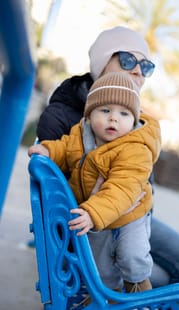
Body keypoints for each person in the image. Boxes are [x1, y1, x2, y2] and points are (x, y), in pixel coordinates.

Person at [35, 26, 179, 310]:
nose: (138, 71)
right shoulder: (65, 116)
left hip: (133, 213)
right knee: (162, 274)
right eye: (128, 60)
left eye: (146, 66)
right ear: (102, 62)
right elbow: (54, 199)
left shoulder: (136, 122)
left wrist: (134, 200)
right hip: (93, 225)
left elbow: (138, 179)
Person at [29, 71, 161, 292]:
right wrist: (48, 150)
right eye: (105, 110)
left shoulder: (135, 149)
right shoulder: (80, 135)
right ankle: (105, 297)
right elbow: (64, 148)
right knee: (98, 265)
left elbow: (122, 188)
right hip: (95, 212)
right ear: (89, 116)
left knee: (131, 255)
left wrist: (92, 213)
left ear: (134, 120)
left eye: (124, 113)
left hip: (130, 212)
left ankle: (138, 289)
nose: (114, 118)